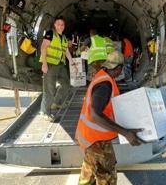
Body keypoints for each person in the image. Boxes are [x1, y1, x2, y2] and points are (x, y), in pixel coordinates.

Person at [76, 51, 145, 185]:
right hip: (97, 139)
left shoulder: (103, 76)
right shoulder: (105, 85)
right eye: (121, 68)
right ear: (118, 68)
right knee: (107, 175)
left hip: (90, 137)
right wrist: (125, 133)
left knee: (89, 169)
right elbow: (95, 115)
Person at [39, 16, 77, 121]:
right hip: (50, 64)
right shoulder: (50, 33)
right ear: (55, 25)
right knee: (49, 89)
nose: (60, 26)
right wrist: (44, 64)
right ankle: (44, 112)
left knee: (66, 84)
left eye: (62, 24)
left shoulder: (64, 38)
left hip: (60, 65)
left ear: (64, 26)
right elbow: (43, 47)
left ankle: (56, 103)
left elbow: (66, 51)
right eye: (58, 24)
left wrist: (72, 63)